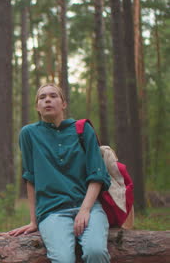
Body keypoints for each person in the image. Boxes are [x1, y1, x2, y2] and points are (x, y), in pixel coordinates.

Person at [8, 83, 111, 263]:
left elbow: (97, 174)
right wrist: (34, 221)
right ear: (37, 107)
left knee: (95, 252)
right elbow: (30, 178)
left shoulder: (82, 129)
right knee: (63, 259)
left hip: (88, 207)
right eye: (42, 97)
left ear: (63, 104)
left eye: (53, 96)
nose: (47, 99)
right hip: (52, 212)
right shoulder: (28, 134)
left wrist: (85, 210)